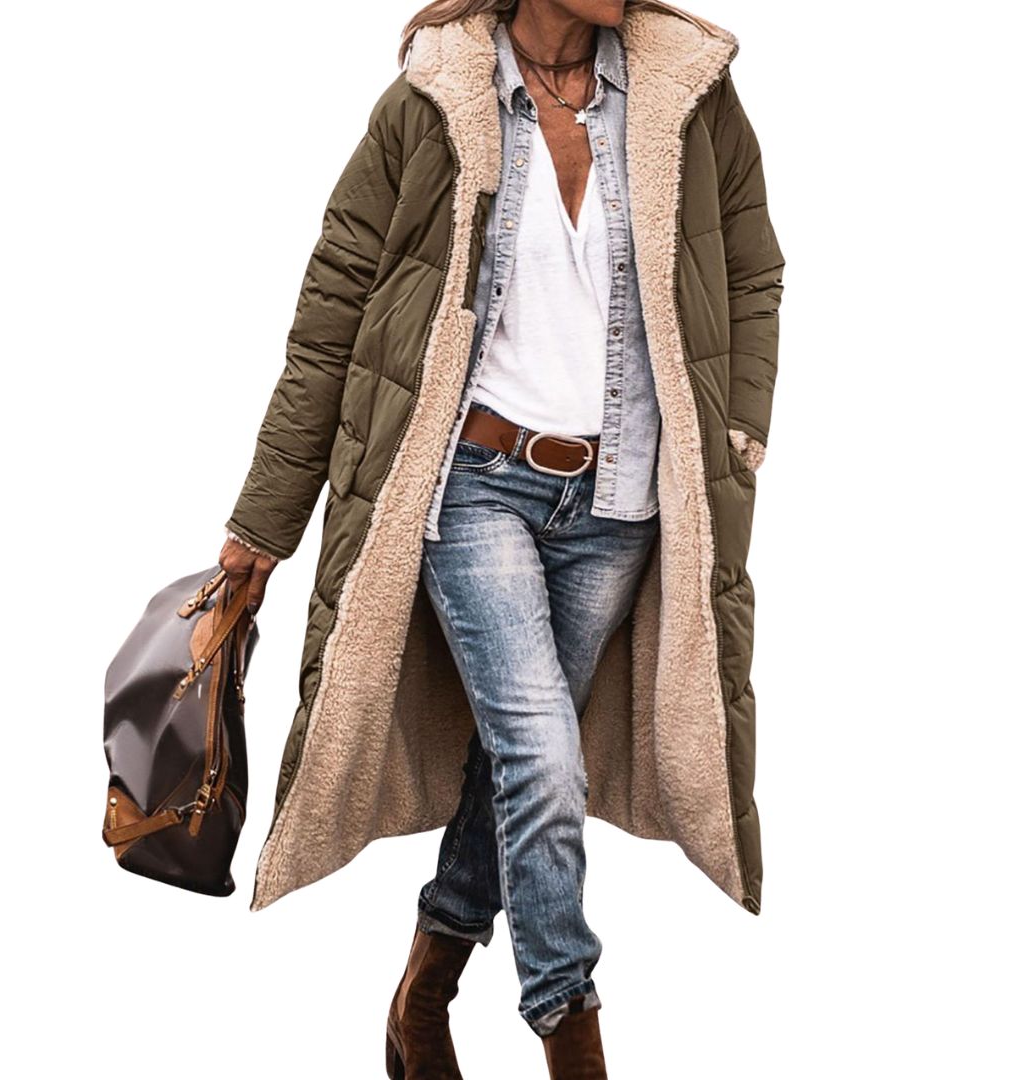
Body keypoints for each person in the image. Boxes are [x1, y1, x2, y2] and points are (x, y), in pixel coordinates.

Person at [219, 3, 784, 1077]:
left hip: (617, 497)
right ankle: (572, 1032)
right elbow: (333, 310)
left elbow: (753, 268)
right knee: (543, 757)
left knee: (519, 763)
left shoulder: (687, 95)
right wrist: (264, 516)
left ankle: (424, 987)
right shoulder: (435, 100)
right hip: (475, 486)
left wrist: (738, 427)